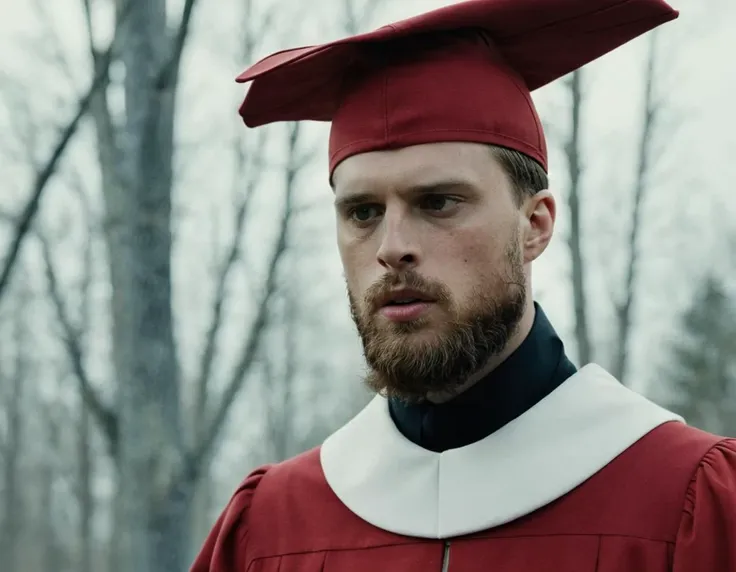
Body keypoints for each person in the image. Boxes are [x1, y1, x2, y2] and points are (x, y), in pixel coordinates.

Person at [191, 0, 736, 570]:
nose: (391, 246)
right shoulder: (272, 530)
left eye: (438, 202)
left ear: (535, 225)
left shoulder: (687, 504)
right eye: (362, 212)